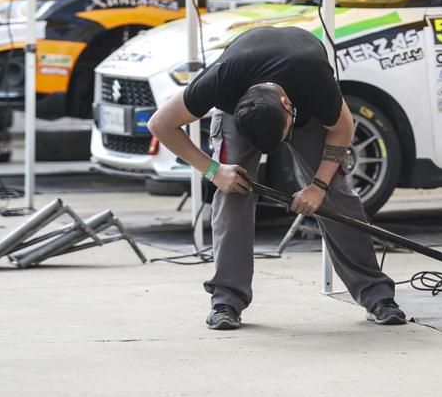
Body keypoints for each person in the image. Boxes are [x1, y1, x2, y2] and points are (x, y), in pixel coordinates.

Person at [148, 26, 405, 330]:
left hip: (301, 91)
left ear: (287, 108)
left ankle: (377, 295)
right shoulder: (220, 82)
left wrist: (318, 186)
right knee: (233, 189)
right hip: (246, 92)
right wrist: (214, 171)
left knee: (335, 192)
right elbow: (160, 124)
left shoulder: (313, 81)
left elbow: (343, 129)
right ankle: (226, 300)